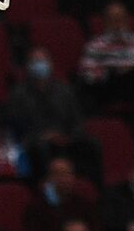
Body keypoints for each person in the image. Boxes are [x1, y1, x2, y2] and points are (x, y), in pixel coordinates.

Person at [8, 46, 98, 177]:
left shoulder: (64, 91)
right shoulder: (18, 94)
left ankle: (91, 187)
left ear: (50, 63)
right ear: (27, 66)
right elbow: (15, 126)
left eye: (43, 60)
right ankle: (49, 188)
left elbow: (77, 121)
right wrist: (41, 137)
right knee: (42, 148)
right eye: (35, 61)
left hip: (65, 139)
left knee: (92, 144)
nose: (40, 65)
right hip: (35, 142)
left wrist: (68, 137)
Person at [78, 1, 134, 111]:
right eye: (113, 19)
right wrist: (115, 70)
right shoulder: (95, 45)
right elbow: (88, 75)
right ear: (105, 22)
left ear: (127, 19)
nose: (117, 24)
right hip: (112, 85)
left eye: (121, 19)